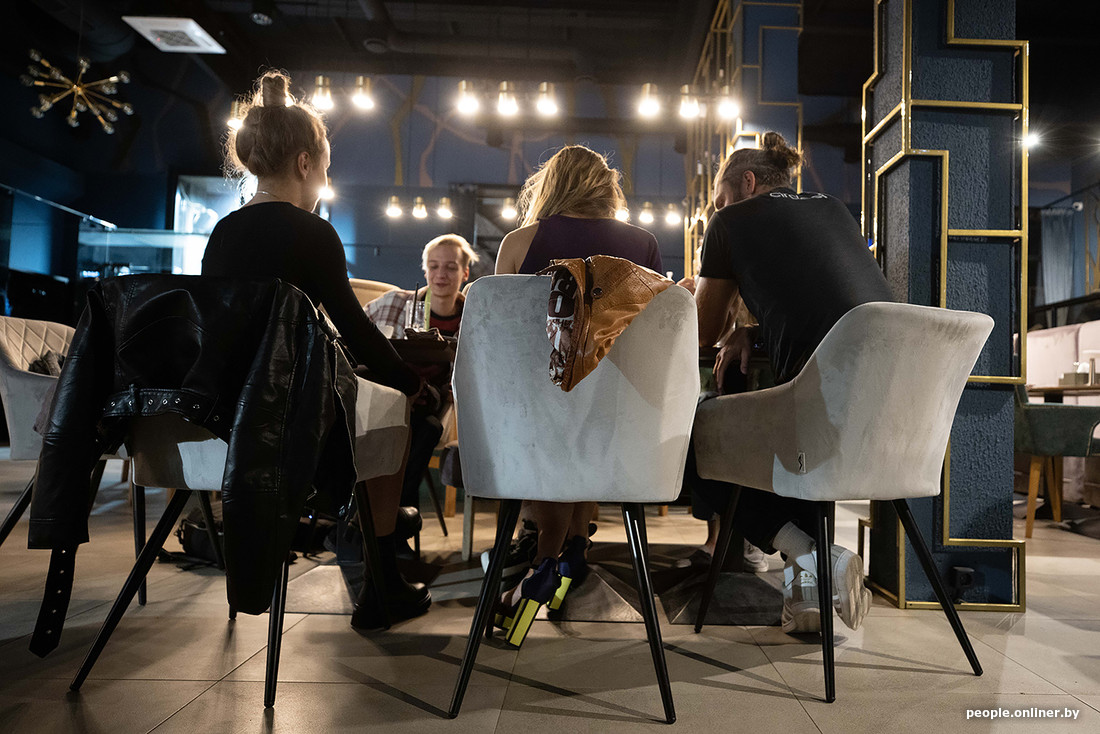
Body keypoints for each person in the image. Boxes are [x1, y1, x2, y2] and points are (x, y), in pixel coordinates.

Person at [201, 70, 432, 629]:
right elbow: (357, 330)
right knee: (399, 412)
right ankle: (381, 579)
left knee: (377, 408)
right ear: (305, 164)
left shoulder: (223, 233)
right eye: (326, 168)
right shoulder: (313, 233)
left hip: (228, 420)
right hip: (295, 420)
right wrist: (411, 381)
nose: (326, 180)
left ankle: (351, 523)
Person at [691, 131, 894, 633]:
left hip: (817, 403)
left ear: (747, 183)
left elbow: (701, 332)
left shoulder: (730, 222)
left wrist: (711, 306)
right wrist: (754, 330)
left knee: (689, 437)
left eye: (720, 199)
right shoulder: (836, 211)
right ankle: (805, 595)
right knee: (790, 432)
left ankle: (812, 553)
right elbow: (827, 302)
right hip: (891, 408)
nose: (718, 210)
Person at [493, 144, 663, 644]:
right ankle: (572, 554)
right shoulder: (644, 244)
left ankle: (544, 562)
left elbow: (501, 342)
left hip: (541, 417)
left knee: (557, 407)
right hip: (621, 422)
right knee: (593, 404)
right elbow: (653, 341)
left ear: (551, 186)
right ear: (607, 188)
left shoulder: (520, 243)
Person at [364, 234, 478, 547]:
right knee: (410, 427)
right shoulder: (395, 303)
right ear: (425, 270)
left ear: (465, 273)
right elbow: (354, 336)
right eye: (434, 266)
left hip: (436, 406)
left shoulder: (474, 316)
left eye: (451, 267)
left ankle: (387, 527)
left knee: (424, 427)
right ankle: (392, 529)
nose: (441, 274)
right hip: (389, 400)